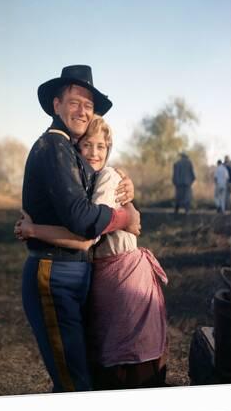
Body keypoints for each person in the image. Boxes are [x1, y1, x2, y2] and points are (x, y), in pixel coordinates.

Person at [16, 115, 168, 390]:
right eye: (87, 145)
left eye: (101, 146)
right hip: (111, 275)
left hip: (124, 278)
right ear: (77, 147)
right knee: (105, 356)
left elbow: (86, 238)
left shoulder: (108, 178)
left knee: (124, 360)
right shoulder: (86, 179)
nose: (94, 153)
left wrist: (34, 230)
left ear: (109, 149)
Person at [19, 65, 140, 393]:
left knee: (81, 373)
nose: (83, 111)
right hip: (54, 272)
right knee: (75, 384)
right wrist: (123, 220)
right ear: (56, 105)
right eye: (74, 102)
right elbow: (83, 219)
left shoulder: (73, 153)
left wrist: (126, 191)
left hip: (76, 272)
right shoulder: (54, 147)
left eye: (89, 105)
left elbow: (99, 196)